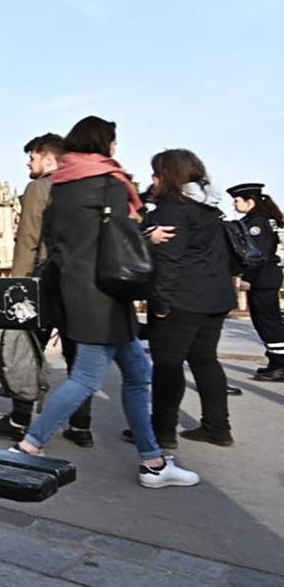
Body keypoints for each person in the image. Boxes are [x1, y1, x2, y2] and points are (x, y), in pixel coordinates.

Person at [12, 116, 199, 488]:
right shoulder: (109, 183)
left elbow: (61, 244)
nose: (116, 148)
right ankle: (28, 446)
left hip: (76, 291)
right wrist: (148, 239)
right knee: (85, 378)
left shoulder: (60, 186)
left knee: (137, 373)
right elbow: (121, 242)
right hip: (106, 297)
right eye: (113, 142)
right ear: (104, 144)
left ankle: (153, 460)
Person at [0, 133, 94, 446]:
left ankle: (19, 419)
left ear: (48, 158)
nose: (28, 163)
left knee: (26, 352)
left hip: (46, 285)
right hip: (83, 286)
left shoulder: (40, 188)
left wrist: (17, 287)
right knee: (77, 359)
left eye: (31, 157)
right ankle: (81, 427)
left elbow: (27, 242)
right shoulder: (85, 187)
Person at [141, 150, 237, 447]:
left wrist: (159, 304)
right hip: (215, 299)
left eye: (156, 174)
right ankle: (218, 428)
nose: (153, 180)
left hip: (182, 300)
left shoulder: (171, 211)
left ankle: (162, 432)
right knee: (206, 361)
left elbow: (169, 262)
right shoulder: (209, 210)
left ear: (168, 177)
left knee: (168, 365)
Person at [227, 183, 284, 382]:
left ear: (250, 201)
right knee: (267, 322)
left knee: (269, 323)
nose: (234, 204)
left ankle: (280, 365)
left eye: (237, 200)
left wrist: (247, 278)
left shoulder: (256, 223)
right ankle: (275, 361)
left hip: (263, 277)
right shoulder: (264, 219)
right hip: (268, 276)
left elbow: (258, 254)